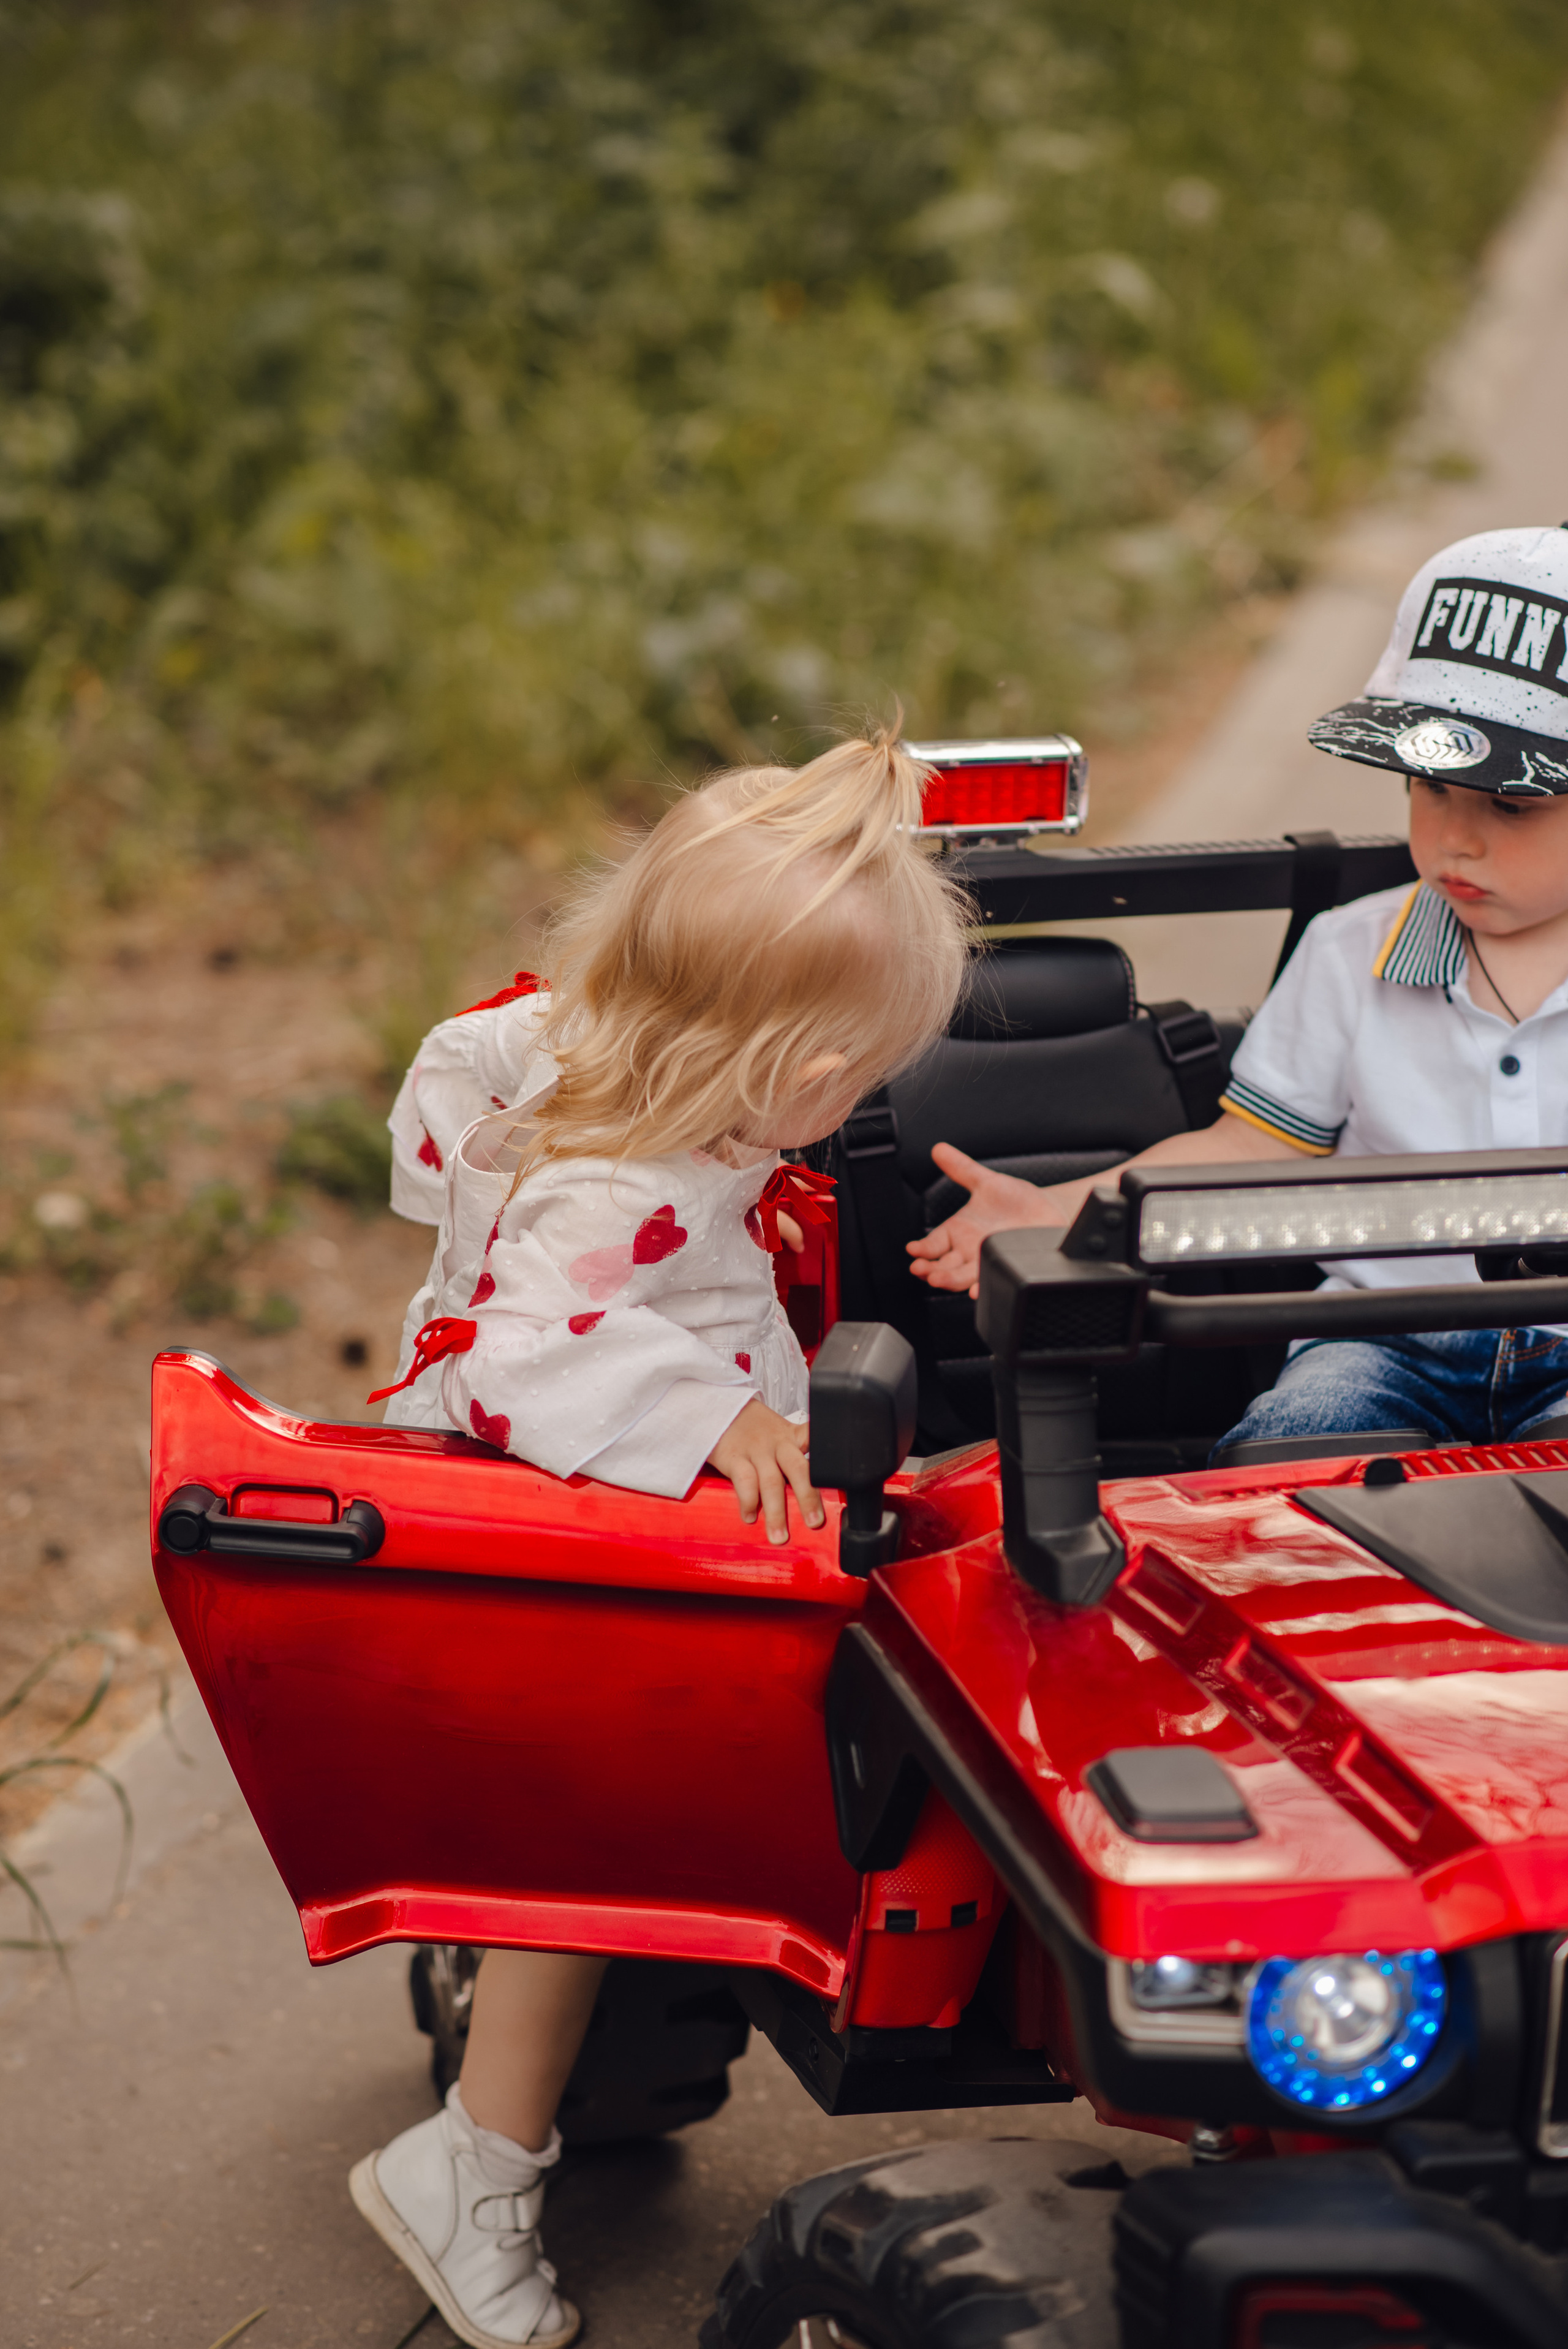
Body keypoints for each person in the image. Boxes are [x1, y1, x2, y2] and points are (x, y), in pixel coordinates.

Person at [349, 730, 970, 2349]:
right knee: (593, 1849)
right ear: (766, 1066)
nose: (865, 1100)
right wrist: (714, 1417)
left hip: (603, 1532)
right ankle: (473, 2163)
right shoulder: (619, 1180)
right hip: (568, 1558)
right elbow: (519, 1346)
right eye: (852, 1074)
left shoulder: (625, 1067)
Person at [910, 523, 1568, 1453]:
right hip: (1382, 1342)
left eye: (1510, 802)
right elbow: (1251, 1145)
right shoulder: (1350, 955)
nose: (1456, 838)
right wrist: (1064, 1206)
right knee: (1282, 1465)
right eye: (1430, 787)